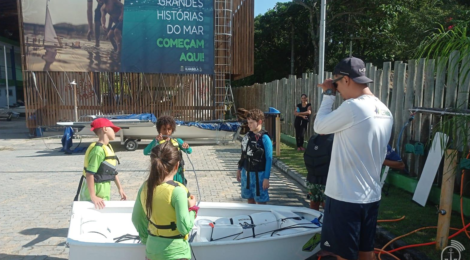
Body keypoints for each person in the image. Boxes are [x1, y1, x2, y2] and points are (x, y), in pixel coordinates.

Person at [313, 57, 393, 260]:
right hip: (370, 195)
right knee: (366, 251)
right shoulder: (385, 111)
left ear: (346, 79)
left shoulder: (354, 108)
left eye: (337, 84)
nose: (338, 90)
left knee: (343, 255)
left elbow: (319, 127)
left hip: (345, 196)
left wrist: (328, 95)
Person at [132, 142, 198, 260]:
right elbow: (184, 227)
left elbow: (136, 218)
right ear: (177, 166)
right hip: (176, 253)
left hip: (152, 251)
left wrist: (147, 239)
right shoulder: (178, 191)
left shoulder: (145, 187)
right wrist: (192, 209)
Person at [79, 118, 127, 209]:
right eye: (112, 129)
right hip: (94, 193)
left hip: (104, 191)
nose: (114, 132)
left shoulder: (107, 148)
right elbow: (89, 174)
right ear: (105, 129)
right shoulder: (98, 150)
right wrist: (93, 197)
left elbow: (113, 171)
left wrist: (120, 189)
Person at [237, 109, 273, 204]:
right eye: (248, 122)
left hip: (259, 175)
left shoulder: (265, 138)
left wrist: (266, 178)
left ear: (259, 122)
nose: (249, 125)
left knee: (261, 201)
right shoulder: (247, 136)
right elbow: (244, 153)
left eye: (252, 123)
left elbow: (269, 159)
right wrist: (239, 169)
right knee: (249, 198)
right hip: (247, 173)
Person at [143, 115, 192, 185]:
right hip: (163, 177)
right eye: (164, 129)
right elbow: (145, 152)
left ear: (172, 130)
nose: (166, 132)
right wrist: (155, 141)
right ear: (159, 130)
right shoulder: (156, 143)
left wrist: (186, 147)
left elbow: (190, 151)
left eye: (169, 129)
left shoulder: (177, 141)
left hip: (178, 176)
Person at [303, 133, 334, 211]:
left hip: (327, 180)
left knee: (326, 206)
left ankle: (325, 222)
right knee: (313, 203)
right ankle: (314, 222)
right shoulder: (313, 138)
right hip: (312, 179)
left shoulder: (334, 138)